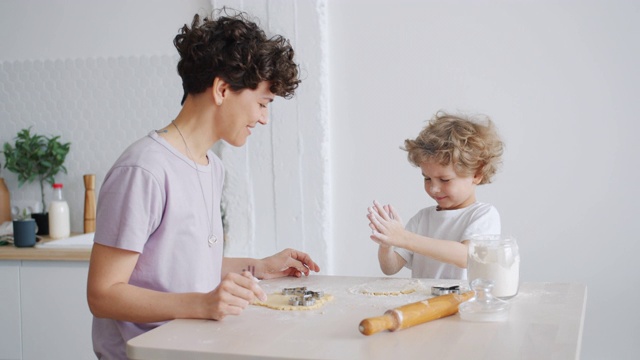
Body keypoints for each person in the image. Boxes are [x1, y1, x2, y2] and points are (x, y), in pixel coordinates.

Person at [87, 9, 320, 359]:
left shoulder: (212, 167)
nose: (263, 118)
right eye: (261, 103)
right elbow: (102, 294)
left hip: (188, 348)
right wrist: (203, 304)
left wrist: (259, 265)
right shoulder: (144, 170)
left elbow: (184, 267)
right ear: (223, 89)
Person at [367, 111, 504, 279]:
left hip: (465, 304)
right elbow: (390, 268)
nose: (434, 188)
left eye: (444, 180)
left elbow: (467, 257)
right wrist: (387, 244)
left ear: (477, 174)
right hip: (426, 304)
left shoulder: (483, 215)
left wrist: (404, 238)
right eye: (427, 178)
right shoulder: (423, 218)